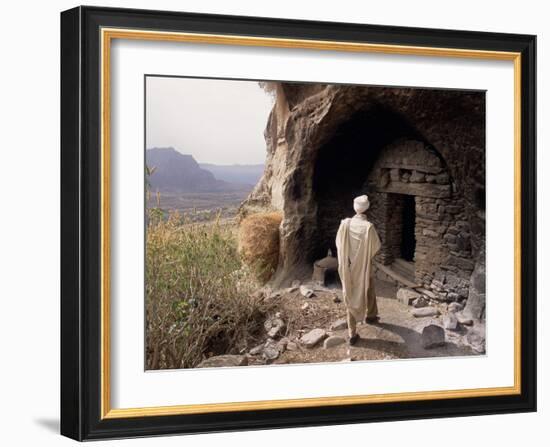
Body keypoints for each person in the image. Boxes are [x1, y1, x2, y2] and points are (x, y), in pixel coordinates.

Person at [335, 195, 382, 346]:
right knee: (367, 288)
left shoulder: (345, 224)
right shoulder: (368, 227)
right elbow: (376, 247)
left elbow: (339, 244)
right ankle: (371, 315)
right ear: (367, 207)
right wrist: (363, 256)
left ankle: (352, 333)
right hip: (363, 267)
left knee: (350, 294)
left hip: (347, 267)